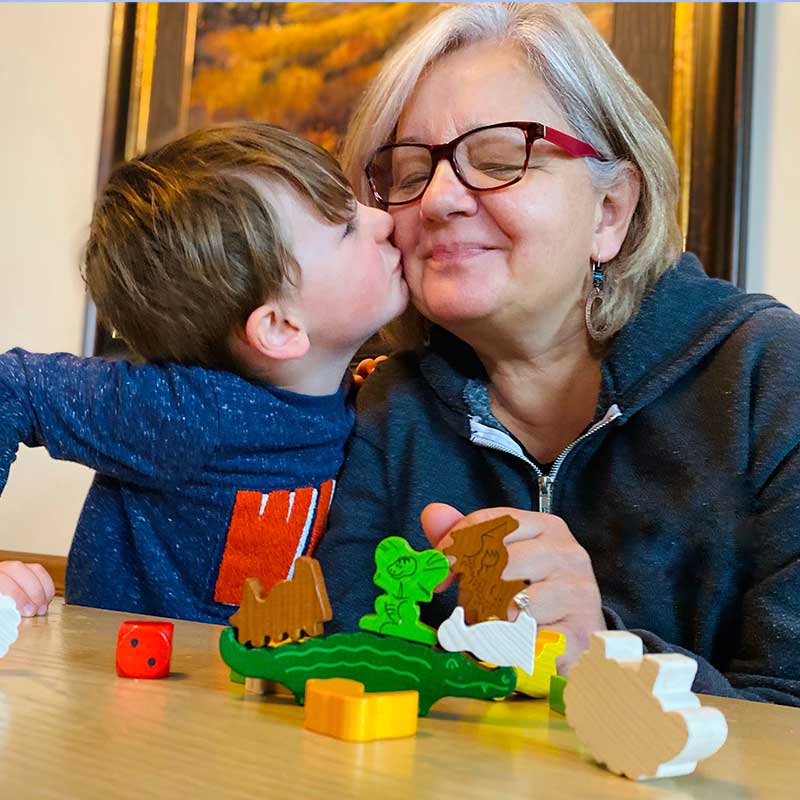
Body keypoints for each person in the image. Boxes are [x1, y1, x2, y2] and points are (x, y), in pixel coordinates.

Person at [316, 2, 800, 705]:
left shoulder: (769, 379)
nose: (440, 200)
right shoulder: (391, 404)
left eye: (498, 157)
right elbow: (343, 676)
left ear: (610, 211)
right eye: (410, 172)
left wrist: (599, 656)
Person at [0, 121, 407, 624]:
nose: (384, 221)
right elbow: (12, 384)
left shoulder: (359, 397)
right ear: (279, 327)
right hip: (132, 690)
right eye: (348, 228)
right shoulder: (191, 412)